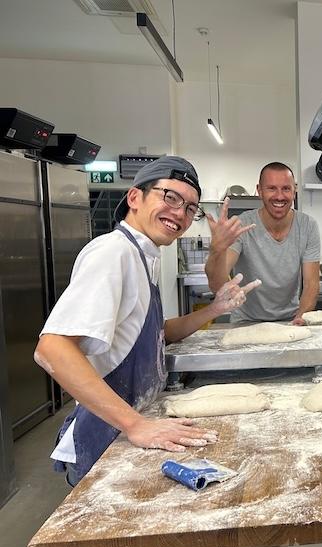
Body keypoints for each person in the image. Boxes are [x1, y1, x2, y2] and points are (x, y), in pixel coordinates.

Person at [34, 156, 260, 486]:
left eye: (190, 208)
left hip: (127, 429)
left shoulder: (144, 255)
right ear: (135, 198)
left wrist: (214, 309)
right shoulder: (114, 253)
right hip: (108, 435)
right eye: (170, 197)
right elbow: (52, 349)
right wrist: (135, 424)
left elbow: (158, 334)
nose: (180, 214)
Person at [205, 162, 320, 325]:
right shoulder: (242, 224)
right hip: (245, 321)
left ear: (294, 191)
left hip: (290, 320)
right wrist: (216, 250)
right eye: (272, 188)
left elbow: (311, 284)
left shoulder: (308, 226)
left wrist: (300, 317)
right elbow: (217, 285)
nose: (279, 196)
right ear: (259, 191)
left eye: (286, 189)